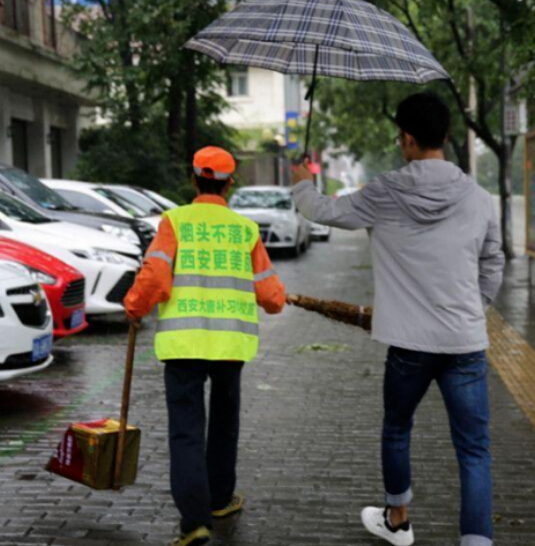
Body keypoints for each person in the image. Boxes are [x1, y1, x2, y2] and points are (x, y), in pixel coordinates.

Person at [291, 92, 504, 546]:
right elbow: (493, 263)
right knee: (473, 450)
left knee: (397, 428)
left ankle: (398, 520)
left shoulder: (382, 193)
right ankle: (477, 542)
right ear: (444, 136)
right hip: (464, 343)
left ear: (407, 139)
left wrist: (300, 180)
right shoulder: (479, 199)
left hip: (408, 344)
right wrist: (473, 310)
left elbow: (322, 211)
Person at [124, 146, 286, 546]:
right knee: (225, 423)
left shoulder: (174, 221)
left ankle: (195, 521)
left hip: (183, 344)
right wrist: (276, 297)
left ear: (193, 179)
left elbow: (155, 278)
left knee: (186, 429)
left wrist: (134, 307)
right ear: (230, 184)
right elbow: (272, 297)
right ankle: (219, 499)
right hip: (231, 345)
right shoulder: (245, 230)